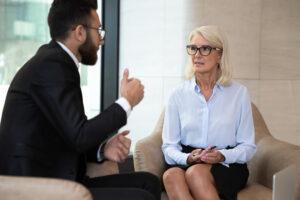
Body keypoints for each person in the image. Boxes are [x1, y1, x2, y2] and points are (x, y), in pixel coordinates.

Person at [0, 0, 161, 199]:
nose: (101, 40)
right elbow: (79, 135)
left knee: (148, 182)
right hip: (37, 185)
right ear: (79, 32)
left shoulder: (57, 62)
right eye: (98, 30)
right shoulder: (52, 65)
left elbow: (69, 133)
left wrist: (102, 149)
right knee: (140, 197)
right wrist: (126, 102)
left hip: (60, 176)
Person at [161, 25, 257, 200]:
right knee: (171, 176)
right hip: (189, 157)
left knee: (196, 173)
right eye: (193, 48)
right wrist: (188, 158)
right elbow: (169, 147)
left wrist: (221, 155)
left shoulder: (239, 93)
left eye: (205, 48)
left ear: (219, 54)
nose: (197, 54)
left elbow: (248, 146)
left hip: (227, 163)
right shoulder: (177, 95)